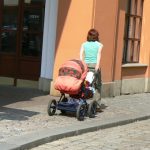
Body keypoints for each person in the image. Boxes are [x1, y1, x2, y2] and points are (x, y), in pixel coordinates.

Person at [80, 28, 103, 107]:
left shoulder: (84, 44)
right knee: (97, 85)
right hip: (94, 65)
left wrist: (82, 64)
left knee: (85, 84)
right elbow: (98, 55)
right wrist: (97, 65)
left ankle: (82, 101)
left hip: (85, 65)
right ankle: (97, 105)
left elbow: (81, 55)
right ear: (96, 36)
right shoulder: (99, 45)